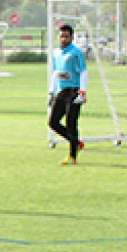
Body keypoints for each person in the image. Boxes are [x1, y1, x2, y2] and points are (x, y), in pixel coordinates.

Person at [47, 24, 88, 165]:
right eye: (61, 36)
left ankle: (72, 157)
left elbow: (83, 71)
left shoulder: (76, 53)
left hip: (74, 91)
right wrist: (51, 91)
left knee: (71, 123)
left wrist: (82, 92)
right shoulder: (56, 52)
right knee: (53, 122)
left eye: (66, 36)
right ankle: (75, 142)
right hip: (62, 91)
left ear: (71, 37)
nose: (63, 39)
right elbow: (55, 72)